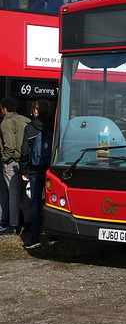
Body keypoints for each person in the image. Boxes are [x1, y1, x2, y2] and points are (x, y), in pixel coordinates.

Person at [20, 99, 54, 248]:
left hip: (34, 169)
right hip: (51, 169)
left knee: (35, 203)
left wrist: (24, 170)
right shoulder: (54, 125)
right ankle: (53, 235)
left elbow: (25, 151)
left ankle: (35, 238)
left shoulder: (30, 128)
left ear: (35, 111)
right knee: (50, 202)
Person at [0, 96, 31, 235]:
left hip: (13, 162)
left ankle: (13, 225)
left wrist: (4, 161)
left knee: (13, 194)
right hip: (25, 162)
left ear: (5, 109)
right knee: (25, 194)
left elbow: (10, 146)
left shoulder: (6, 123)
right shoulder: (25, 120)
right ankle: (28, 222)